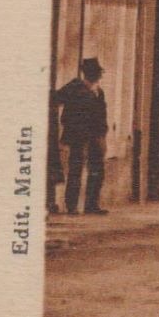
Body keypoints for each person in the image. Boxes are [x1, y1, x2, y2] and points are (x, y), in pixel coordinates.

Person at [52, 57, 109, 215]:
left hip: (96, 136)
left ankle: (91, 205)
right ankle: (72, 206)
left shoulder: (99, 92)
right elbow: (56, 99)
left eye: (98, 73)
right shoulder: (75, 87)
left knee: (97, 170)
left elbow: (102, 116)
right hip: (78, 136)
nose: (98, 76)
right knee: (76, 170)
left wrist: (103, 136)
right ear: (87, 73)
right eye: (95, 73)